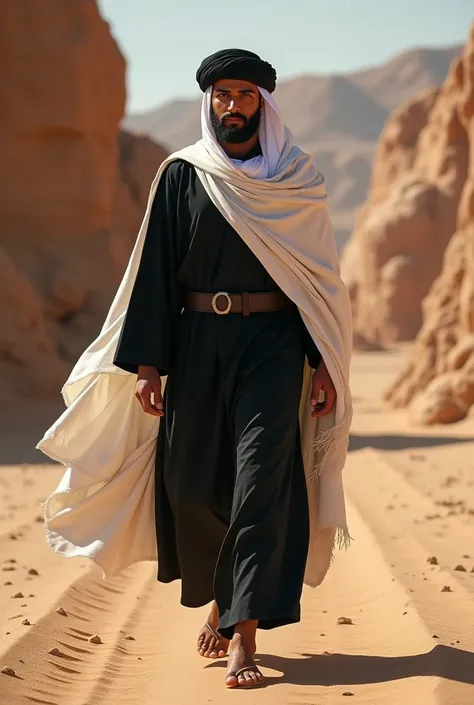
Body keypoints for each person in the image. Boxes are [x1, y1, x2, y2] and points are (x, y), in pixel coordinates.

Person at [37, 49, 353, 692]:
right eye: (221, 95)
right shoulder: (183, 175)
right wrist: (149, 364)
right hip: (196, 341)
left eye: (243, 94)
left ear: (264, 102)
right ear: (209, 103)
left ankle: (244, 632)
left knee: (262, 480)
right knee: (190, 489)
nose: (231, 105)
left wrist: (322, 362)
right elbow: (154, 271)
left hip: (274, 343)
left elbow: (320, 283)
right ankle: (218, 592)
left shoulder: (297, 178)